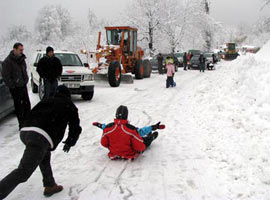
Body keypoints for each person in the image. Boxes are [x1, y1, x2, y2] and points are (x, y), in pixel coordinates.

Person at [0, 85, 82, 199]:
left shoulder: (46, 100)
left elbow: (31, 113)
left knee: (44, 154)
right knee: (23, 172)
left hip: (25, 131)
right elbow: (75, 128)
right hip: (40, 136)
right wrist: (70, 141)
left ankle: (50, 185)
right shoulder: (69, 105)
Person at [93, 105, 165, 160]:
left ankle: (150, 132)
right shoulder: (131, 130)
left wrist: (99, 124)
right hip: (129, 154)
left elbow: (103, 142)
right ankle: (151, 137)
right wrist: (153, 127)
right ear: (126, 116)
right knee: (143, 140)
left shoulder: (108, 128)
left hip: (113, 153)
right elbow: (140, 145)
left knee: (137, 136)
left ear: (116, 115)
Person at [1, 42, 31, 129]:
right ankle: (21, 124)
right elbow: (6, 76)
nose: (22, 51)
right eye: (20, 50)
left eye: (22, 50)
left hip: (23, 85)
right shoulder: (8, 61)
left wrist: (26, 79)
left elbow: (24, 71)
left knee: (27, 105)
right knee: (19, 107)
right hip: (15, 88)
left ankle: (28, 122)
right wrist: (13, 86)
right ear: (15, 49)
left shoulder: (22, 59)